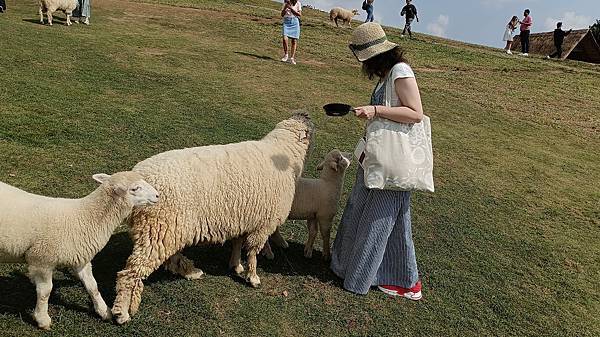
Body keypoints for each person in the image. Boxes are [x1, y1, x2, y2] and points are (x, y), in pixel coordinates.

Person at [331, 22, 425, 300]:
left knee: (381, 217)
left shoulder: (401, 72)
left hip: (391, 160)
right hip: (378, 157)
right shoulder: (388, 75)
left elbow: (415, 113)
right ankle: (381, 273)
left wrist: (375, 110)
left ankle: (388, 278)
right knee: (372, 212)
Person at [280, 0, 302, 65]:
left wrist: (291, 9)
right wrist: (285, 8)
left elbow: (299, 14)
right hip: (286, 21)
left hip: (295, 21)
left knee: (294, 41)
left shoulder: (298, 3)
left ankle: (292, 58)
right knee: (284, 38)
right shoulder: (285, 3)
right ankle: (286, 55)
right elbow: (282, 14)